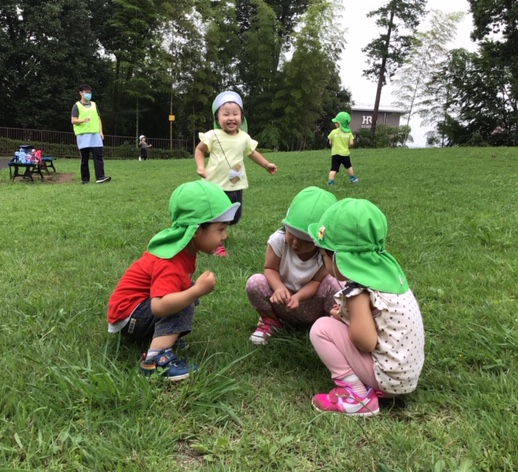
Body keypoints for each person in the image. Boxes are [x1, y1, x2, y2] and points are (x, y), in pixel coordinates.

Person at [107, 180, 240, 381]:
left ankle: (164, 338)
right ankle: (155, 360)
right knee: (184, 298)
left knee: (186, 291)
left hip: (133, 312)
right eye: (220, 229)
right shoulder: (172, 261)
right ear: (196, 230)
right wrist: (196, 292)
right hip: (129, 316)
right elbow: (159, 306)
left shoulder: (184, 250)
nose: (225, 236)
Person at [307, 198, 424, 416]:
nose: (323, 262)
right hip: (405, 375)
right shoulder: (388, 279)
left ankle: (356, 396)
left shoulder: (357, 290)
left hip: (388, 379)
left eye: (324, 256)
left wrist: (346, 319)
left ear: (340, 258)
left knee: (321, 328)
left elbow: (365, 341)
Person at [246, 186, 343, 345]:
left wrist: (299, 297)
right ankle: (271, 321)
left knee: (335, 284)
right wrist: (279, 288)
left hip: (311, 304)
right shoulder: (279, 240)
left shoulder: (326, 254)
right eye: (292, 233)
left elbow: (317, 282)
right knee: (255, 283)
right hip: (282, 302)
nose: (296, 243)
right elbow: (270, 269)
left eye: (306, 240)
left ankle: (329, 327)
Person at [194, 90, 277, 256]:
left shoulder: (244, 137)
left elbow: (252, 153)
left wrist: (266, 164)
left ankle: (211, 231)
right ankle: (215, 243)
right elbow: (199, 150)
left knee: (235, 216)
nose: (231, 118)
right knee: (218, 216)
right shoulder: (213, 136)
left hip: (235, 185)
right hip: (215, 186)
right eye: (225, 114)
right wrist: (201, 166)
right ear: (217, 118)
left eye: (235, 114)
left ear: (241, 117)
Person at [71, 84, 111, 184]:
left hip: (95, 135)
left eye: (89, 92)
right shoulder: (77, 105)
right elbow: (73, 120)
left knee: (98, 157)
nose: (88, 94)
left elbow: (98, 118)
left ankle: (100, 177)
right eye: (86, 92)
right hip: (83, 135)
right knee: (84, 159)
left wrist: (101, 132)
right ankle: (85, 180)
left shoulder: (94, 104)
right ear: (81, 93)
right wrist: (83, 120)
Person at [327, 112, 358, 186]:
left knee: (333, 169)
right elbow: (351, 143)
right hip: (345, 154)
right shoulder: (349, 133)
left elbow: (330, 142)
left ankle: (330, 181)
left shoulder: (333, 132)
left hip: (335, 154)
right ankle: (352, 178)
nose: (335, 124)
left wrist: (333, 145)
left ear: (338, 123)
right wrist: (347, 146)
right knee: (349, 166)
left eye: (336, 122)